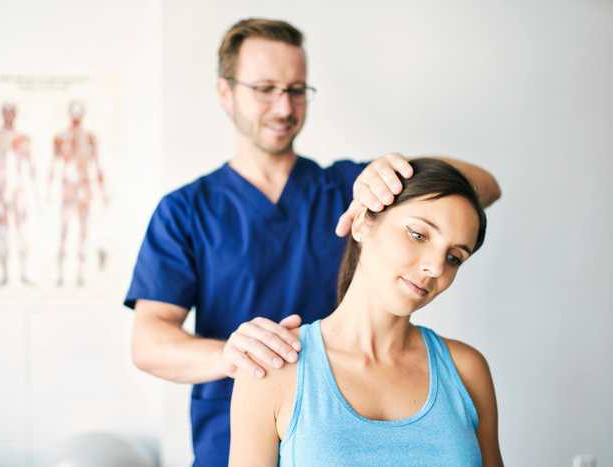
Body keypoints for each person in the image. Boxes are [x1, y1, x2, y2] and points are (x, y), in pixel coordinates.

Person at [125, 19, 501, 467]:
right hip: (232, 438)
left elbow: (482, 189)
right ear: (226, 93)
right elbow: (149, 342)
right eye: (265, 88)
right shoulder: (186, 211)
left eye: (297, 90)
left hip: (349, 431)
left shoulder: (354, 189)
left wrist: (396, 167)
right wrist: (233, 355)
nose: (284, 107)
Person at [229, 158, 504, 466]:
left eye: (454, 257)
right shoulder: (275, 368)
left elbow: (492, 185)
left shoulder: (467, 370)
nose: (435, 266)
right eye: (418, 235)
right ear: (361, 222)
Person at [48, 100, 108, 287]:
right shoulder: (60, 137)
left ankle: (80, 274)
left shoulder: (90, 137)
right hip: (69, 188)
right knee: (64, 231)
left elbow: (97, 165)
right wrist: (49, 190)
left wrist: (102, 191)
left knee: (83, 231)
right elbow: (54, 164)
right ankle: (60, 274)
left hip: (84, 187)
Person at [0, 102, 37, 286]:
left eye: (12, 113)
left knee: (22, 232)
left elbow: (30, 166)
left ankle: (24, 273)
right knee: (2, 232)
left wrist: (34, 192)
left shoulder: (22, 138)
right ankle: (4, 274)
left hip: (17, 190)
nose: (9, 116)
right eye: (6, 113)